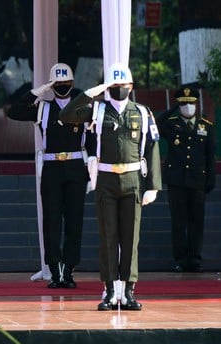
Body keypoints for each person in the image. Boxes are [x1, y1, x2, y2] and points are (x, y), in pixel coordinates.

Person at [60, 62, 162, 311]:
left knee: (130, 238)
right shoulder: (97, 110)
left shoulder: (142, 112)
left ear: (131, 86)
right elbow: (65, 115)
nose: (119, 89)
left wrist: (153, 186)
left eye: (122, 85)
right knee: (108, 237)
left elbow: (153, 148)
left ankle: (127, 292)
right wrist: (92, 92)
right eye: (114, 86)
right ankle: (107, 291)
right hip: (105, 181)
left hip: (132, 181)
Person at [6, 63, 96, 288]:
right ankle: (55, 270)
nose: (62, 86)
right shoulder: (43, 107)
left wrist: (93, 163)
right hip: (52, 168)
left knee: (75, 220)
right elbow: (14, 111)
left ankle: (69, 270)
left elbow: (94, 136)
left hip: (76, 166)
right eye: (58, 83)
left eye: (66, 83)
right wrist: (38, 91)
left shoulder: (85, 107)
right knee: (52, 221)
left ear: (73, 83)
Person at [157, 86, 217, 273]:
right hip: (176, 181)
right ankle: (181, 260)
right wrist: (173, 109)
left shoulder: (205, 126)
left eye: (191, 103)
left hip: (197, 180)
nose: (188, 107)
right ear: (179, 105)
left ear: (196, 104)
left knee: (196, 221)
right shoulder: (172, 124)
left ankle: (195, 259)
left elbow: (210, 156)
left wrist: (210, 179)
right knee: (179, 222)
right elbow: (156, 123)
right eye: (184, 103)